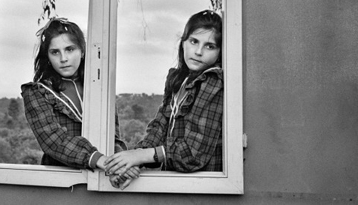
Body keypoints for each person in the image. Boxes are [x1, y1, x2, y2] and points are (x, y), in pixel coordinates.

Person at [105, 10, 223, 183]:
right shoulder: (179, 79)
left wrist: (142, 156)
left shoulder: (212, 81)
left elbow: (193, 154)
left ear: (220, 52)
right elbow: (159, 126)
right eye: (194, 41)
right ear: (183, 43)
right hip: (175, 183)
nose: (198, 51)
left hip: (204, 187)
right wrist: (133, 162)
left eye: (209, 46)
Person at [21, 18, 139, 187]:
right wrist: (105, 163)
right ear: (47, 56)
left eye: (70, 49)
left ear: (82, 51)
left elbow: (113, 137)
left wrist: (122, 165)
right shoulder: (37, 92)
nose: (63, 58)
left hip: (103, 181)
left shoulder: (100, 88)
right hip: (60, 184)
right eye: (55, 52)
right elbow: (54, 141)